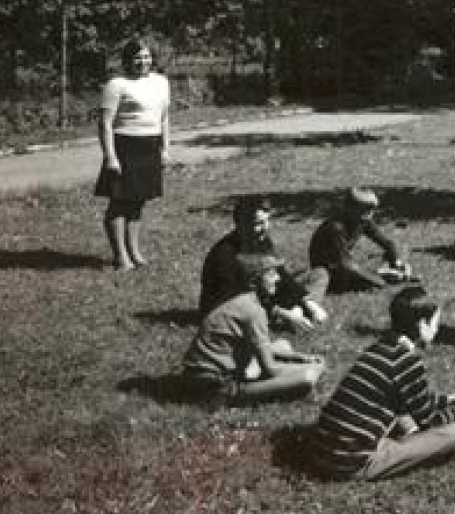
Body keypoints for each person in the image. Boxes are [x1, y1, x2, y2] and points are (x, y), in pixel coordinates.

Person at [306, 287, 455, 481]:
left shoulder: (381, 347)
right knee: (454, 433)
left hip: (322, 451)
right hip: (350, 463)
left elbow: (410, 398)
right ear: (421, 325)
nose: (437, 329)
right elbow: (429, 420)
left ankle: (408, 435)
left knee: (405, 415)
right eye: (435, 323)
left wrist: (451, 399)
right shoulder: (407, 361)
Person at [180, 257, 325, 408]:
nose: (278, 278)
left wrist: (302, 357)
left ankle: (250, 374)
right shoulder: (254, 311)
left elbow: (259, 349)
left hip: (197, 374)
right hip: (217, 387)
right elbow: (271, 369)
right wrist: (313, 367)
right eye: (271, 274)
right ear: (254, 282)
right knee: (308, 377)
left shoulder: (241, 300)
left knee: (283, 345)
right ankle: (241, 390)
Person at [95, 38, 170, 271]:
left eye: (146, 57)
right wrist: (110, 156)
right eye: (137, 57)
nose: (143, 61)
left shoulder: (161, 82)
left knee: (138, 202)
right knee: (119, 202)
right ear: (128, 60)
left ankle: (135, 252)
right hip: (125, 147)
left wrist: (165, 148)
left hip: (150, 147)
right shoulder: (116, 85)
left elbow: (164, 117)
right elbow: (105, 124)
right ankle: (121, 256)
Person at [200, 196, 330, 329]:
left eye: (264, 222)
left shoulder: (261, 240)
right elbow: (237, 300)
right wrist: (284, 313)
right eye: (255, 223)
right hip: (235, 306)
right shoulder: (225, 254)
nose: (261, 228)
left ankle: (302, 311)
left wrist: (309, 305)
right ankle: (288, 319)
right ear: (240, 224)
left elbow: (281, 276)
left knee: (319, 274)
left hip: (264, 292)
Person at [307, 188, 412, 292]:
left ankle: (385, 274)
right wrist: (380, 281)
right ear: (350, 208)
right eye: (365, 209)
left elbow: (387, 243)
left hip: (346, 264)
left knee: (400, 251)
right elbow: (345, 265)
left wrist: (398, 263)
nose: (369, 213)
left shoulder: (362, 221)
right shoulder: (336, 227)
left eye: (371, 209)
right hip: (329, 270)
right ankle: (380, 278)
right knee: (353, 270)